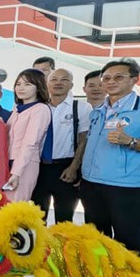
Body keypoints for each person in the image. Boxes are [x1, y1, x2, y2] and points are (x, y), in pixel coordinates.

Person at [80, 58, 140, 256]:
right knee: (95, 239)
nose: (111, 82)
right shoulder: (97, 112)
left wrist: (130, 141)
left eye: (118, 77)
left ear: (134, 79)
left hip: (126, 186)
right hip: (91, 183)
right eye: (106, 78)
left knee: (128, 241)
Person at [31, 69, 91, 223]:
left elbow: (83, 140)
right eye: (54, 79)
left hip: (65, 168)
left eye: (64, 79)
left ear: (71, 84)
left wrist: (74, 167)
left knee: (64, 217)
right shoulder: (37, 107)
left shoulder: (81, 108)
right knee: (36, 218)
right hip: (38, 168)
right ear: (47, 84)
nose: (58, 83)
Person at [2, 69, 51, 202]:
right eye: (18, 84)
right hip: (7, 163)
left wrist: (16, 172)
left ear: (39, 87)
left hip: (24, 166)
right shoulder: (17, 109)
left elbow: (30, 143)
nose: (21, 88)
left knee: (14, 209)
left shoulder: (40, 109)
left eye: (28, 84)